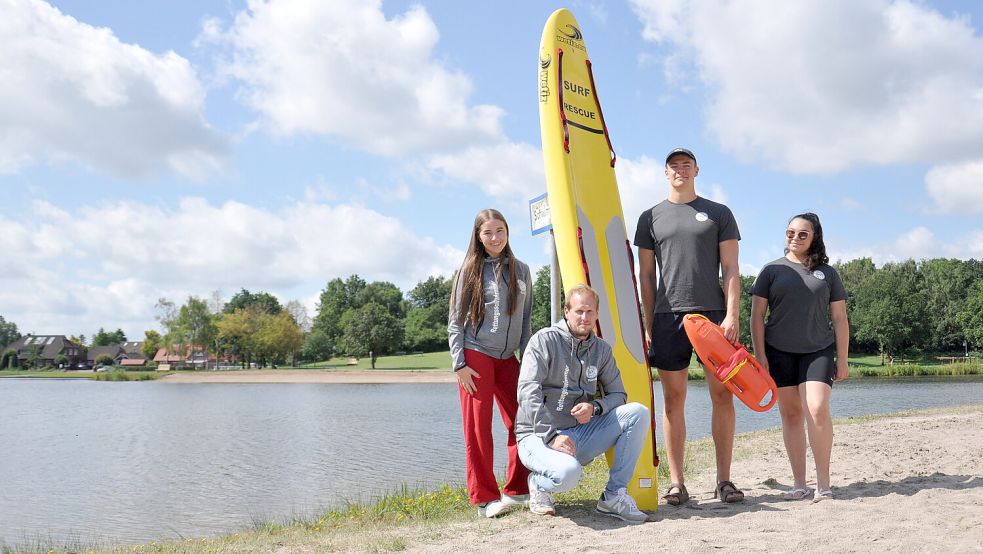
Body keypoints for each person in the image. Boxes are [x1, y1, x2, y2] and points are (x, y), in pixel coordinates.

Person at [634, 147, 744, 506]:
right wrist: (649, 323)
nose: (680, 170)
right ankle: (678, 483)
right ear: (665, 173)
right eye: (673, 166)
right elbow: (646, 277)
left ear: (697, 169)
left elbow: (730, 270)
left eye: (686, 164)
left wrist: (731, 316)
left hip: (713, 316)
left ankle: (724, 480)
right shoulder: (650, 217)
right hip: (668, 319)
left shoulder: (719, 214)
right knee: (673, 401)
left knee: (722, 395)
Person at [515, 284, 650, 524]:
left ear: (597, 314)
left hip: (578, 433)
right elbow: (527, 393)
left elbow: (619, 395)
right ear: (566, 311)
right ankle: (538, 483)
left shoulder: (601, 350)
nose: (584, 317)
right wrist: (551, 436)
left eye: (589, 311)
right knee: (568, 474)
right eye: (578, 311)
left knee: (637, 413)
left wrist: (595, 407)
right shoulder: (544, 341)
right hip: (536, 435)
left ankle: (613, 496)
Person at [750, 212, 849, 503]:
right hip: (778, 352)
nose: (795, 238)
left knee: (817, 409)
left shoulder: (828, 274)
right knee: (791, 415)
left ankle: (823, 484)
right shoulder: (771, 271)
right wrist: (760, 356)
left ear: (814, 237)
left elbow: (840, 318)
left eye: (802, 234)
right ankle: (798, 483)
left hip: (817, 350)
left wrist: (842, 359)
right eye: (790, 232)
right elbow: (757, 317)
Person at [448, 208, 533, 518]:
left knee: (523, 420)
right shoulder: (469, 270)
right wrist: (459, 363)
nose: (495, 237)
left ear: (508, 232)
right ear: (478, 237)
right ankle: (485, 498)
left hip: (508, 357)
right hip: (476, 355)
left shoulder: (522, 270)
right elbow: (455, 321)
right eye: (488, 232)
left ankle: (518, 489)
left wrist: (529, 363)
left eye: (500, 230)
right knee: (479, 427)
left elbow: (526, 322)